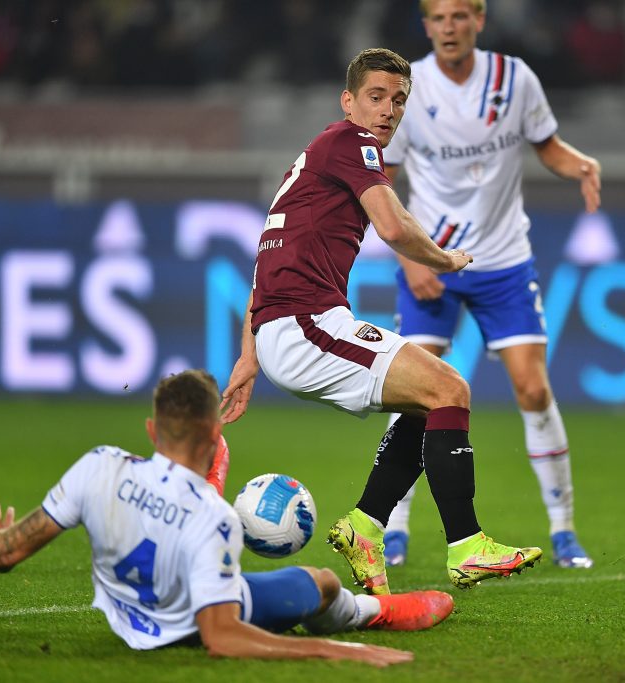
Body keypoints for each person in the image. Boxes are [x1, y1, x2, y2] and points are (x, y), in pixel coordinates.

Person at [220, 48, 542, 594]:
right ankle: (467, 545)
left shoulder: (320, 157)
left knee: (429, 399)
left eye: (398, 100)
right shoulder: (352, 142)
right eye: (376, 97)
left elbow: (266, 255)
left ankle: (366, 527)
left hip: (292, 328)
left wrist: (250, 356)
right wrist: (444, 260)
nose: (388, 110)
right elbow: (393, 227)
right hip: (308, 325)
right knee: (449, 388)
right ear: (348, 101)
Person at [0, 370, 453, 665]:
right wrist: (337, 651)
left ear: (150, 429)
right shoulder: (215, 519)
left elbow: (2, 555)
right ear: (213, 432)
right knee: (324, 582)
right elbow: (221, 637)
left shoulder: (97, 466)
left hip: (129, 618)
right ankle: (377, 612)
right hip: (187, 624)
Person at [377, 0, 603, 569]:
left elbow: (546, 144)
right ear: (425, 26)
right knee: (414, 394)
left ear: (479, 20)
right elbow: (380, 180)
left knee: (533, 389)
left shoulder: (515, 78)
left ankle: (564, 529)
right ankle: (396, 528)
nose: (448, 28)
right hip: (433, 260)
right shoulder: (409, 88)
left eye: (459, 17)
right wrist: (409, 260)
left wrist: (579, 164)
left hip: (503, 262)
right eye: (437, 18)